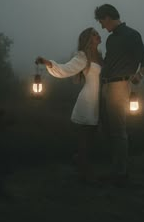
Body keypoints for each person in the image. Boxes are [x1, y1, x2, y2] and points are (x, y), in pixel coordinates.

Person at [35, 27, 102, 183]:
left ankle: (79, 161)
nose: (98, 35)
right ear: (87, 39)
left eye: (98, 33)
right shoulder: (83, 56)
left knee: (92, 137)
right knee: (85, 138)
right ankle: (85, 174)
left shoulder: (100, 56)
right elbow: (65, 69)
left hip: (99, 102)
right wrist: (48, 63)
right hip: (88, 101)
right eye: (94, 34)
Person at [94, 4, 144, 186]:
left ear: (108, 17)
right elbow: (108, 64)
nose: (102, 27)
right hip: (104, 86)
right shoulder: (111, 40)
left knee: (118, 131)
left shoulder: (132, 35)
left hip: (120, 86)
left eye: (102, 22)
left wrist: (139, 75)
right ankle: (114, 168)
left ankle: (120, 174)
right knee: (107, 128)